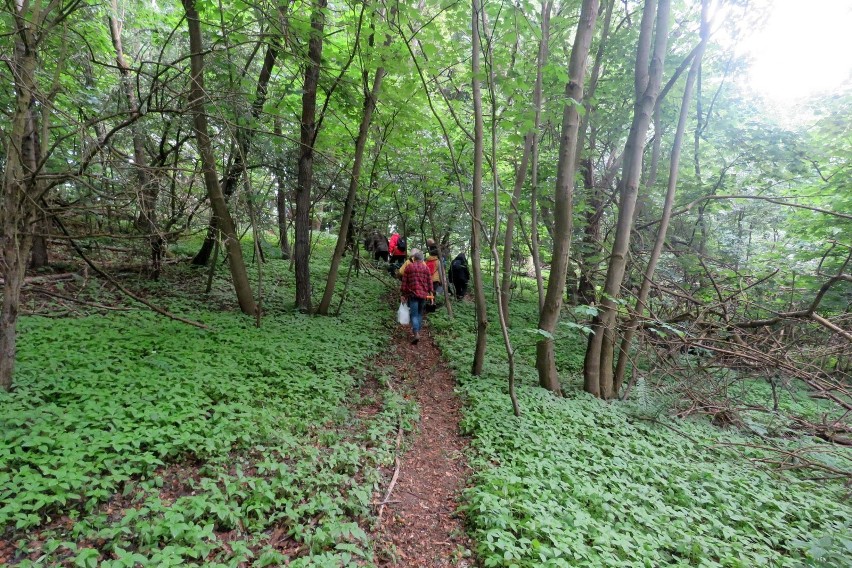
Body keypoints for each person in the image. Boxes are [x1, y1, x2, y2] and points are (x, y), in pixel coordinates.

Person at [400, 249, 432, 344]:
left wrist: (403, 294)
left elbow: (404, 282)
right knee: (419, 313)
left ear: (414, 258)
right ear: (422, 259)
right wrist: (431, 292)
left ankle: (416, 332)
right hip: (423, 294)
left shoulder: (409, 267)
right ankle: (417, 330)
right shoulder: (425, 268)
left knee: (413, 314)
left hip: (412, 294)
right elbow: (430, 282)